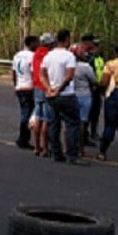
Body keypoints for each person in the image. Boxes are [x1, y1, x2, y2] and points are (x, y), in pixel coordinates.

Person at [40, 29, 88, 165]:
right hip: (66, 94)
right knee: (73, 124)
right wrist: (59, 89)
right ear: (67, 39)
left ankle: (57, 153)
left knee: (54, 124)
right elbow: (69, 76)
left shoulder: (48, 56)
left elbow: (42, 73)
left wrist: (49, 88)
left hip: (51, 94)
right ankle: (72, 154)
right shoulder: (69, 56)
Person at [31, 32, 56, 157]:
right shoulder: (49, 55)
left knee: (38, 117)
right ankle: (45, 148)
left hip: (37, 87)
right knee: (47, 119)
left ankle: (37, 147)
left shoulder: (36, 54)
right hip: (45, 87)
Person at [12, 35, 39, 149]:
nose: (38, 45)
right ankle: (23, 139)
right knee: (27, 114)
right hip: (29, 87)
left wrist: (15, 85)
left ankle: (24, 138)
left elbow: (13, 72)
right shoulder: (33, 56)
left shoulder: (17, 55)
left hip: (20, 86)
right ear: (31, 43)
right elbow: (33, 73)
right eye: (37, 43)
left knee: (25, 113)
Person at [71, 43, 97, 157]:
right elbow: (93, 80)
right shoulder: (86, 67)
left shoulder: (69, 66)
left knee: (70, 122)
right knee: (82, 122)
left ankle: (69, 146)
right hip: (84, 95)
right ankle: (81, 149)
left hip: (71, 94)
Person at [81, 33, 104, 142]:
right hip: (88, 88)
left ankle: (93, 133)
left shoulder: (98, 57)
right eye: (94, 44)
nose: (96, 47)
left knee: (95, 112)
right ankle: (84, 135)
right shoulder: (84, 56)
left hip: (98, 87)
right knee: (87, 113)